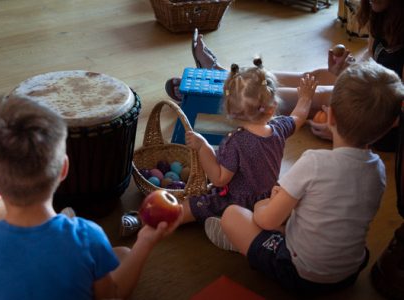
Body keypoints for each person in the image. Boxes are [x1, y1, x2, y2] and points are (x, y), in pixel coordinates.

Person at [203, 60, 404, 295]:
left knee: (232, 215)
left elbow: (267, 220)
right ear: (393, 123)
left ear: (331, 117)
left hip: (301, 273)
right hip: (350, 271)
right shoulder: (379, 169)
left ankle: (242, 243)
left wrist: (260, 205)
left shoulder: (314, 163)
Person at [0, 95, 182, 300]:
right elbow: (110, 296)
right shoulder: (87, 236)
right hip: (81, 252)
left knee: (118, 255)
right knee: (122, 253)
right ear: (64, 169)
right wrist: (145, 241)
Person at [167, 0, 404, 151]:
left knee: (319, 93)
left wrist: (343, 132)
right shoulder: (381, 11)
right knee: (315, 75)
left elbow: (394, 108)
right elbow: (372, 59)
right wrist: (347, 68)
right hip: (379, 90)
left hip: (385, 121)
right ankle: (222, 74)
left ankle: (228, 94)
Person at [181, 58, 317, 228]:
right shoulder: (280, 127)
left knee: (192, 206)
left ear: (230, 111)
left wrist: (203, 147)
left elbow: (219, 179)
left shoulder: (236, 142)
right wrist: (305, 98)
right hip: (268, 200)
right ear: (272, 108)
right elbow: (298, 117)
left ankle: (227, 230)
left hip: (236, 202)